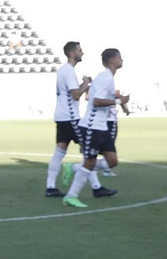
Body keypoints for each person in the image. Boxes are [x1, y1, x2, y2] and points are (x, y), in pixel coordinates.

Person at [63, 49, 128, 207]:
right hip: (92, 127)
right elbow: (97, 101)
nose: (122, 60)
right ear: (111, 60)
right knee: (90, 163)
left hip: (101, 126)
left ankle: (74, 167)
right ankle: (71, 196)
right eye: (119, 57)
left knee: (112, 161)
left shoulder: (107, 77)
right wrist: (119, 102)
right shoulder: (105, 78)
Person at [46, 42, 93, 196]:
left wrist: (82, 85)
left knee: (59, 151)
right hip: (71, 118)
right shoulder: (69, 71)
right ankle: (96, 187)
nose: (82, 53)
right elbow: (76, 95)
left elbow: (70, 92)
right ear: (72, 53)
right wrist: (86, 83)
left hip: (61, 116)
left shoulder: (63, 70)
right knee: (89, 150)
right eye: (80, 50)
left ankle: (50, 187)